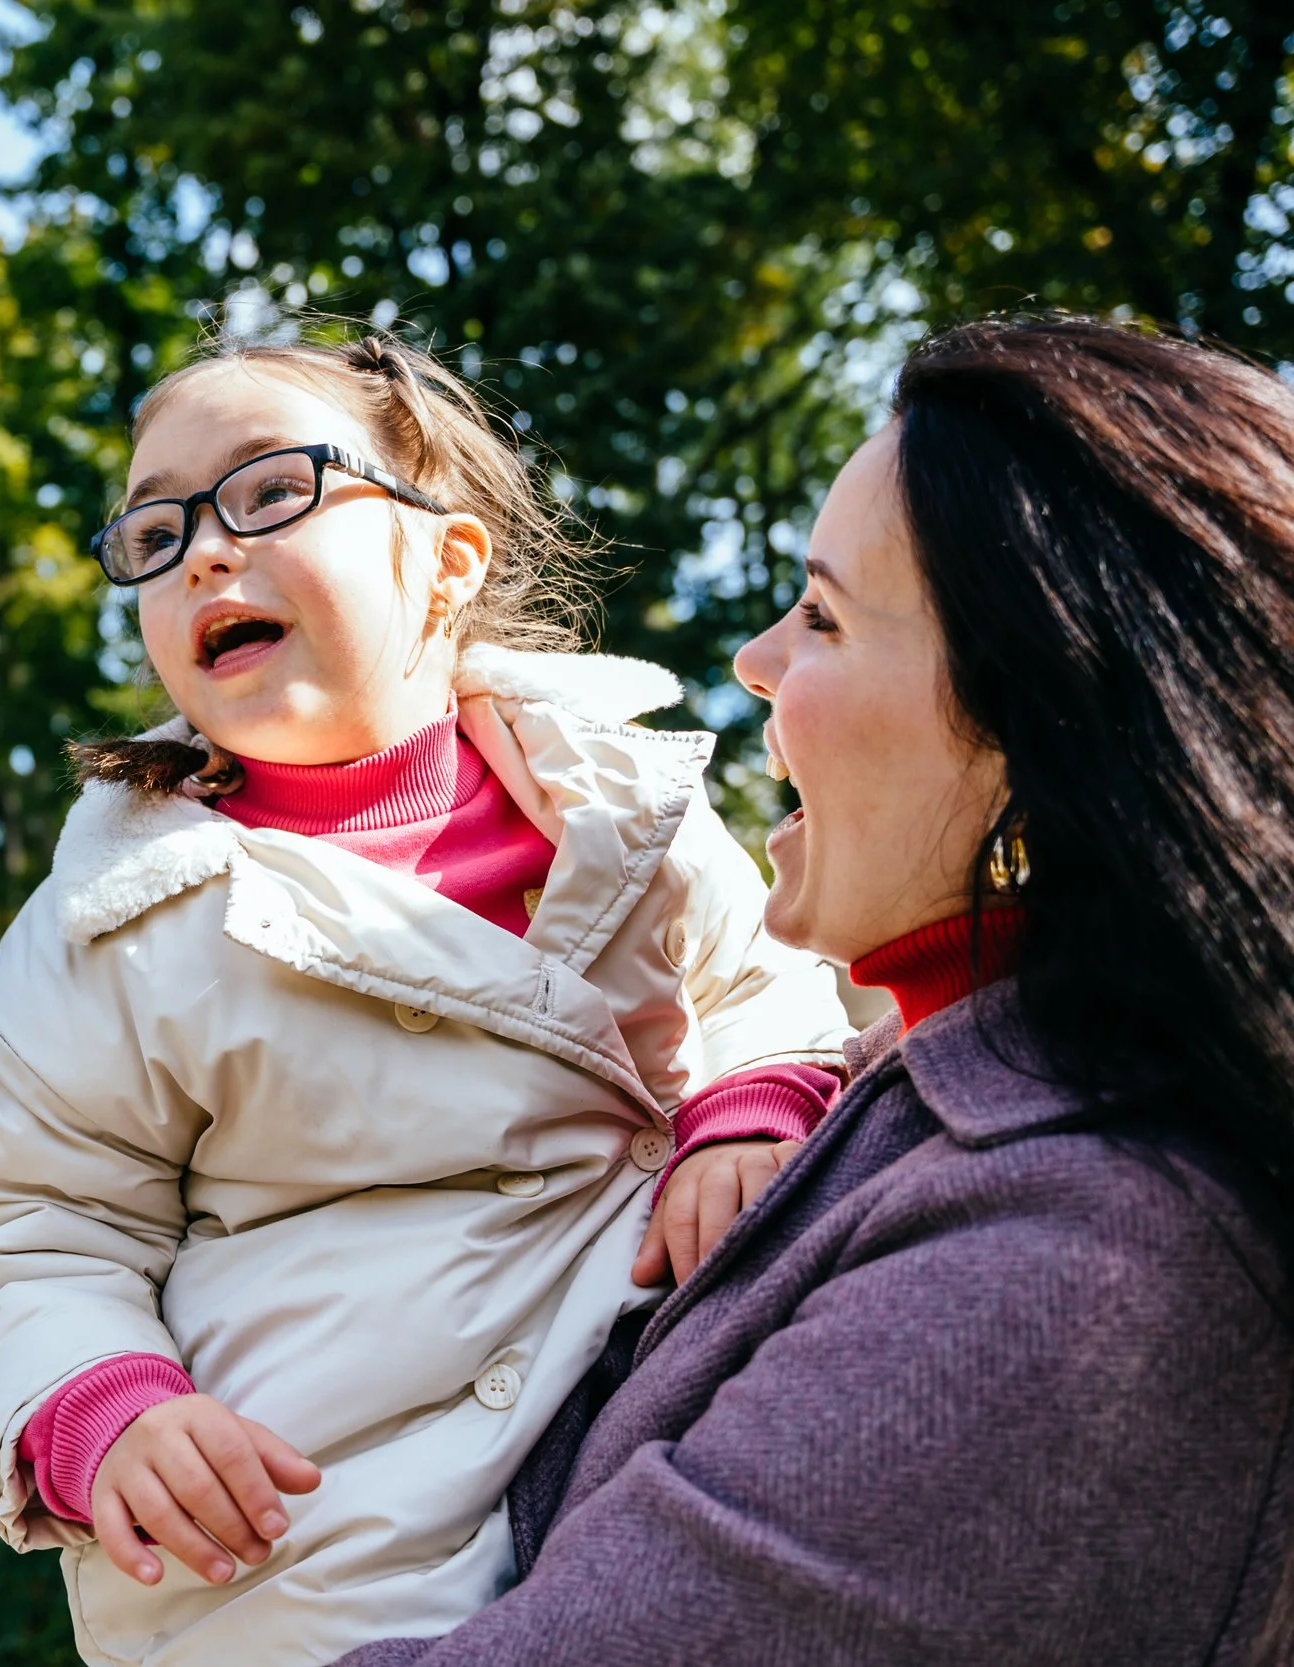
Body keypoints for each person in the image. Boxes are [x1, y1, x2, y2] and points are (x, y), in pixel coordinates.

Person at [336, 314, 1294, 1667]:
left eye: (825, 615)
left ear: (1034, 733)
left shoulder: (1070, 1261)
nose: (757, 659)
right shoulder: (932, 1104)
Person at [0, 329, 856, 1667]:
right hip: (312, 1544)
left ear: (448, 563)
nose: (204, 550)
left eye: (270, 491)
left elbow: (767, 976)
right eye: (155, 531)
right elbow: (30, 1223)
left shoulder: (624, 807)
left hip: (636, 1450)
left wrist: (752, 1102)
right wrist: (105, 1407)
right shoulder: (116, 921)